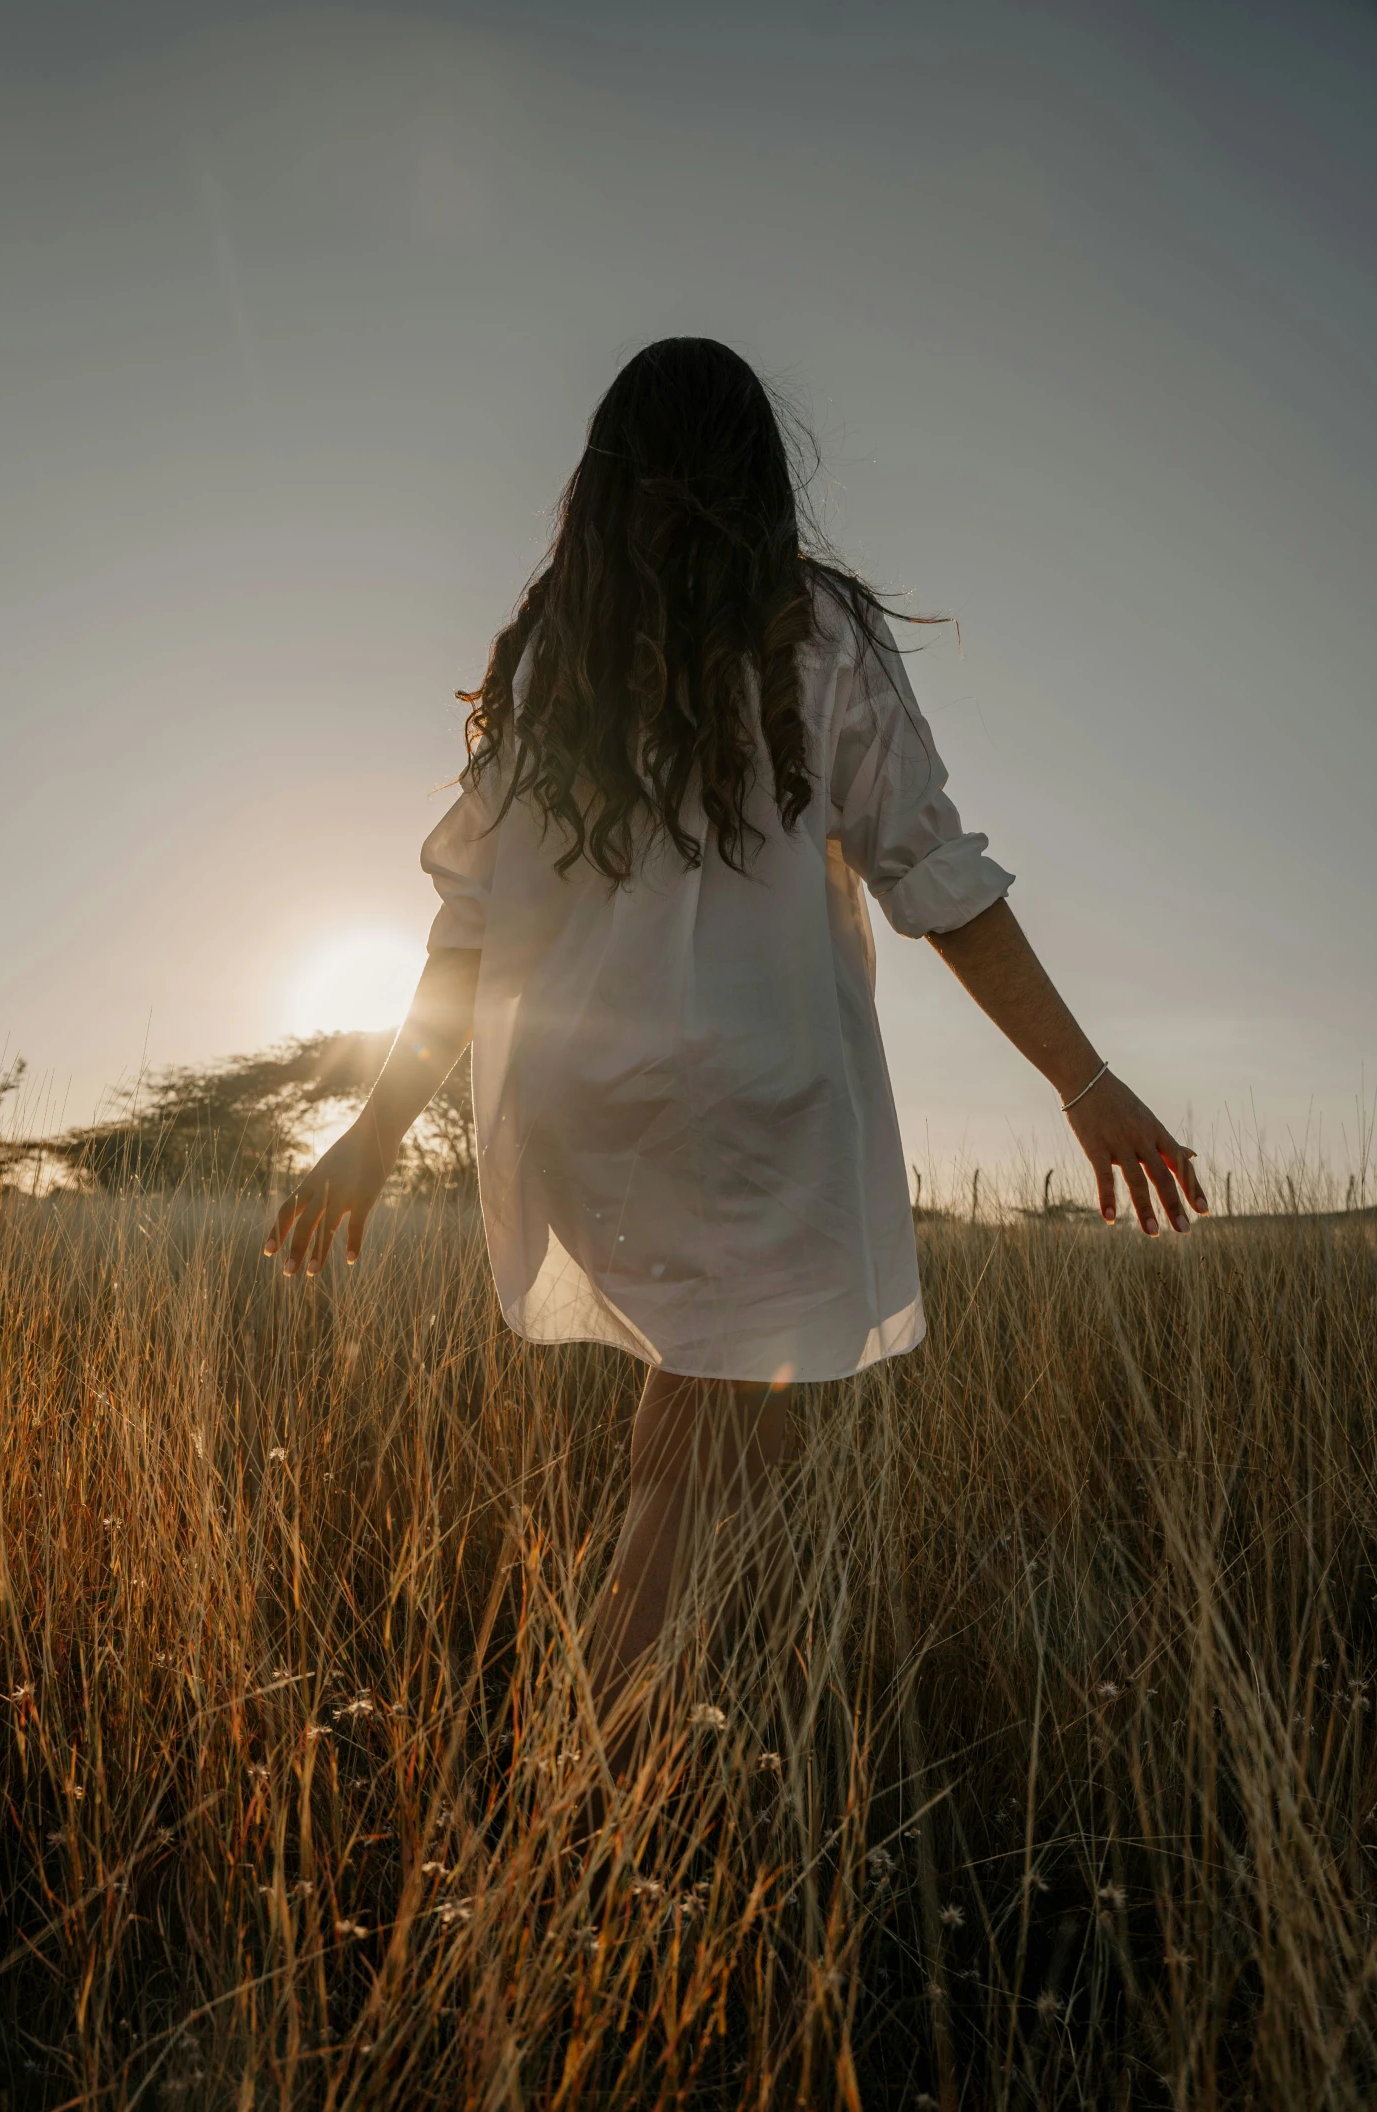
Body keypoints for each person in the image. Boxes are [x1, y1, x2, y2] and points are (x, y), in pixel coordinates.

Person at [265, 337, 1207, 1768]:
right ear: (760, 472)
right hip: (757, 1096)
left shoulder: (549, 659)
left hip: (584, 1102)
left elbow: (464, 924)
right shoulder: (811, 628)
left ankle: (655, 1757)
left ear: (596, 476)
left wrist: (379, 1130)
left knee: (713, 1419)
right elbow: (931, 870)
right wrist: (1080, 1079)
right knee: (722, 1438)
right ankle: (586, 1790)